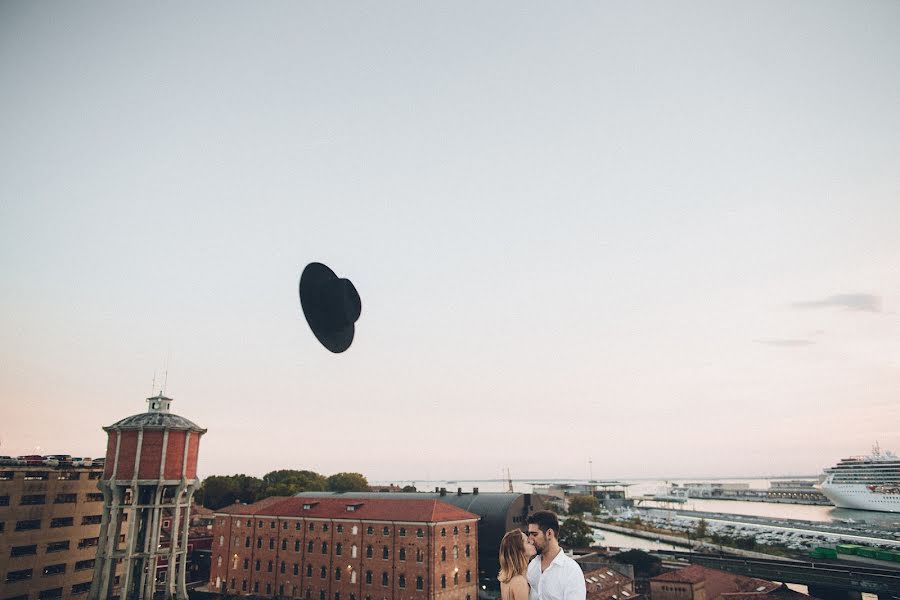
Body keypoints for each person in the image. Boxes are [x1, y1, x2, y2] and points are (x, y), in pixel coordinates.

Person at [526, 511, 586, 600]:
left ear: (549, 533)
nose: (530, 539)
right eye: (529, 534)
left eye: (534, 534)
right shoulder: (532, 566)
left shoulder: (571, 571)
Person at [498, 529, 536, 600]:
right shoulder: (519, 582)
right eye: (528, 542)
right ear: (520, 551)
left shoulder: (506, 578)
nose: (532, 541)